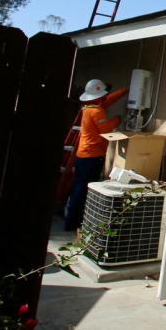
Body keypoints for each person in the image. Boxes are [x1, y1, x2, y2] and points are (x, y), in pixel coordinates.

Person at [65, 78, 127, 232]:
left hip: (83, 155)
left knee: (79, 187)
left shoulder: (89, 108)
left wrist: (124, 91)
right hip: (91, 157)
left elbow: (109, 99)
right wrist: (117, 119)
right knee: (84, 189)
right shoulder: (96, 111)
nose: (106, 96)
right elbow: (106, 129)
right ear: (99, 96)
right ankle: (74, 223)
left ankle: (71, 221)